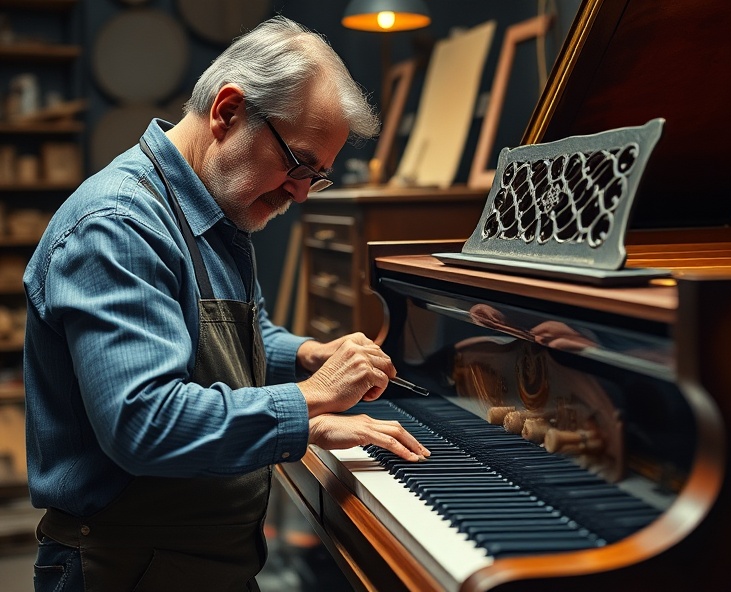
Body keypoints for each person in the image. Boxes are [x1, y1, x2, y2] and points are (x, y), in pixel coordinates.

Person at [23, 16, 430, 592]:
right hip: (126, 566)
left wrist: (311, 354)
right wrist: (310, 402)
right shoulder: (119, 227)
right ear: (229, 111)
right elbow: (145, 423)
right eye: (298, 163)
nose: (298, 192)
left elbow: (240, 335)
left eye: (316, 177)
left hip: (204, 558)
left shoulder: (218, 213)